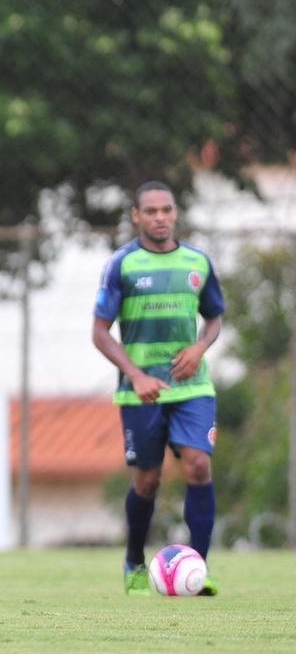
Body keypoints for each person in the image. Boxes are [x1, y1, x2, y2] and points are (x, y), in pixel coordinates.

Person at [92, 181, 224, 596]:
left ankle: (198, 568)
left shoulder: (197, 262)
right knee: (148, 480)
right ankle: (134, 561)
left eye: (166, 209)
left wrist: (199, 348)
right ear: (136, 216)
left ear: (176, 212)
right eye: (151, 211)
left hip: (192, 387)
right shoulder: (122, 265)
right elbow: (100, 332)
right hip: (141, 392)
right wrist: (136, 374)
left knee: (198, 465)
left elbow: (215, 317)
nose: (160, 217)